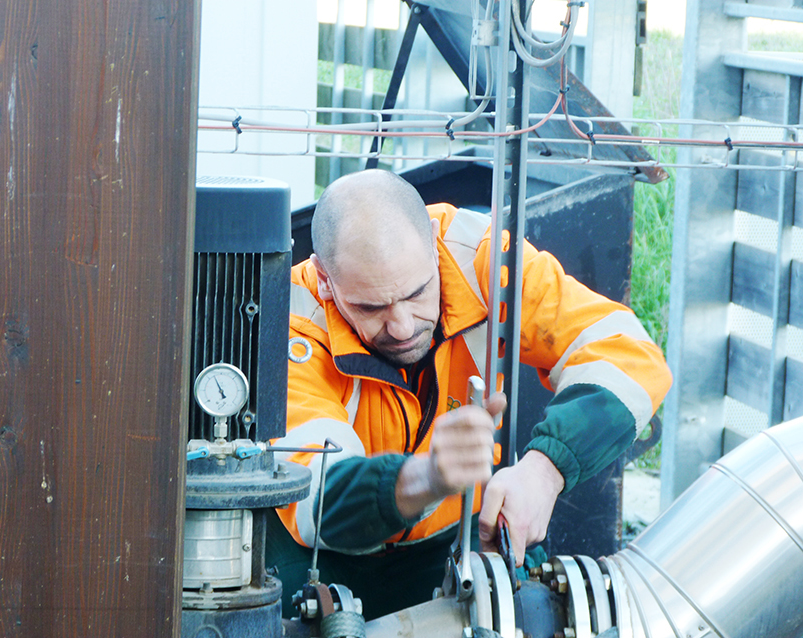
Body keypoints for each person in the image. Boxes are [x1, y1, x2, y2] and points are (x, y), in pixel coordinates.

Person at [267, 169, 671, 620]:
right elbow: (318, 499)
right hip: (326, 559)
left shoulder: (483, 259)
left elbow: (629, 355)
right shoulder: (289, 325)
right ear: (325, 279)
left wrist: (545, 470)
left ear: (433, 247)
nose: (402, 326)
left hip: (464, 534)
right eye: (371, 307)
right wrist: (429, 475)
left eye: (417, 293)